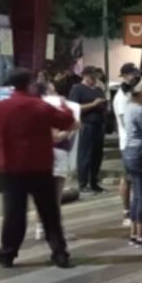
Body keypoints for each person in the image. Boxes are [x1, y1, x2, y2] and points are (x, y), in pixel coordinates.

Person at [0, 68, 76, 268]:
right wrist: (62, 103)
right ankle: (60, 253)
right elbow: (66, 120)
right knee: (50, 214)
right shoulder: (40, 105)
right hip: (39, 168)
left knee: (13, 215)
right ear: (30, 84)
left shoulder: (0, 107)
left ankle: (7, 255)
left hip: (9, 169)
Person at [34, 84, 81, 242]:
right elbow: (55, 137)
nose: (59, 94)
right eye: (53, 91)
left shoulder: (38, 110)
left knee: (44, 196)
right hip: (56, 153)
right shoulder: (50, 112)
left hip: (44, 154)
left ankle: (41, 228)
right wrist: (71, 128)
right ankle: (53, 230)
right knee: (55, 196)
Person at [121, 78, 142, 245]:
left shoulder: (129, 107)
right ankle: (141, 234)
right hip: (140, 152)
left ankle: (134, 232)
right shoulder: (141, 111)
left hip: (129, 151)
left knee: (136, 194)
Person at [113, 63, 142, 226]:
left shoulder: (131, 94)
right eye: (133, 74)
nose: (136, 77)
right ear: (125, 76)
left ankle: (135, 213)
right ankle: (127, 212)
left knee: (133, 179)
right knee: (127, 178)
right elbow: (125, 121)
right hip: (128, 143)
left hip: (133, 142)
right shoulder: (121, 97)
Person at [69, 65, 108, 194]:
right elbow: (74, 107)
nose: (94, 79)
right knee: (85, 154)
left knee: (97, 155)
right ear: (85, 75)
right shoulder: (77, 89)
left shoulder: (98, 89)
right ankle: (83, 183)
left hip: (99, 124)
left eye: (96, 77)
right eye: (92, 76)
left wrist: (104, 106)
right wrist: (93, 104)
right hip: (87, 124)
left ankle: (94, 182)